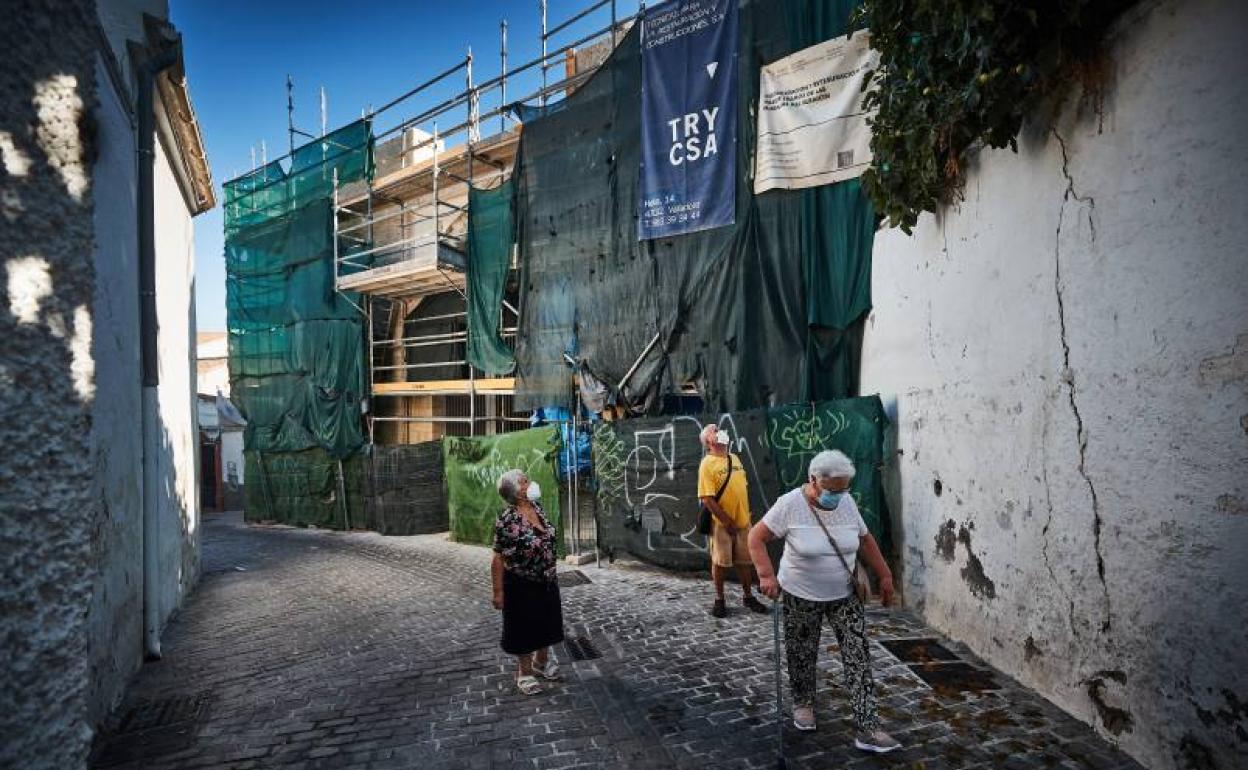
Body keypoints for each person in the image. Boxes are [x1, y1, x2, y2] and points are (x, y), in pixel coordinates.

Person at [746, 449, 901, 753]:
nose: (839, 495)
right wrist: (766, 575)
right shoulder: (790, 505)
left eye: (844, 489)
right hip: (800, 594)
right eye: (832, 490)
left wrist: (884, 575)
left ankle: (868, 725)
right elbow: (755, 538)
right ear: (813, 480)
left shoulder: (847, 502)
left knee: (858, 656)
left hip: (844, 595)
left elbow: (865, 539)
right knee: (801, 654)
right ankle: (803, 702)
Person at [491, 469, 564, 695]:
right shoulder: (506, 520)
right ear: (517, 491)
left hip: (547, 579)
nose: (530, 483)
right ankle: (524, 672)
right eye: (524, 482)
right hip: (521, 582)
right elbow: (497, 558)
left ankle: (540, 663)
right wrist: (498, 592)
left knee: (548, 622)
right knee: (524, 627)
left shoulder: (537, 508)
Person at [698, 424, 769, 618]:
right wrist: (725, 520)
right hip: (721, 524)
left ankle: (748, 596)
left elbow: (740, 488)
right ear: (708, 441)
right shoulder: (707, 463)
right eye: (715, 430)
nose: (720, 430)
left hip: (743, 521)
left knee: (745, 561)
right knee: (720, 562)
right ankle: (719, 599)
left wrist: (745, 514)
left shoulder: (734, 458)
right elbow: (706, 497)